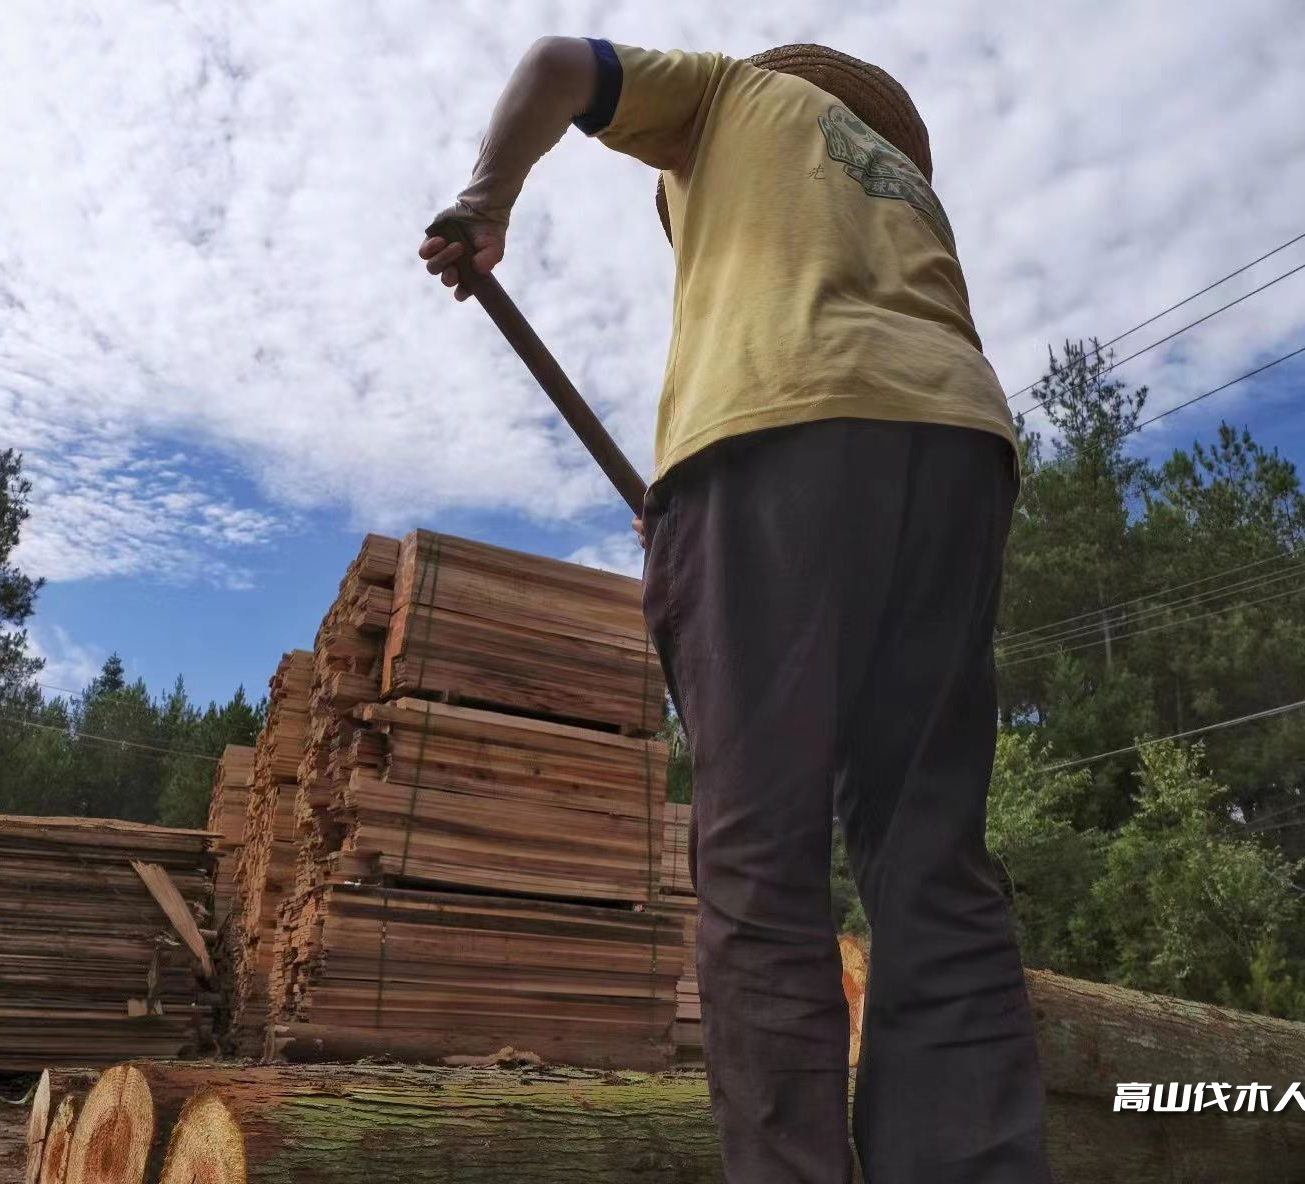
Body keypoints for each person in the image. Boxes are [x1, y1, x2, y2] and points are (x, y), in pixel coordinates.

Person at [419, 37, 1051, 1184]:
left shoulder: (724, 96)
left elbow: (560, 63)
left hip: (771, 435)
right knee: (931, 856)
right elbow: (870, 410)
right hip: (961, 450)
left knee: (759, 860)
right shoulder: (900, 185)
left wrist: (483, 203)